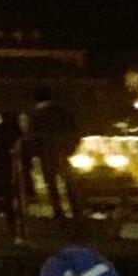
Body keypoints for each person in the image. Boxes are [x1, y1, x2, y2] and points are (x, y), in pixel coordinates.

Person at [28, 92, 81, 222]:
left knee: (52, 185)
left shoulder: (37, 115)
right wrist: (71, 150)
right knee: (69, 183)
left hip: (47, 154)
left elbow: (34, 137)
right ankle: (76, 210)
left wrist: (35, 154)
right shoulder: (63, 112)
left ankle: (59, 212)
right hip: (64, 153)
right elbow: (74, 131)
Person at [0, 110, 25, 238]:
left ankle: (6, 213)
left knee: (1, 191)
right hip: (8, 163)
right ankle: (12, 217)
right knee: (11, 191)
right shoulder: (15, 130)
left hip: (1, 163)